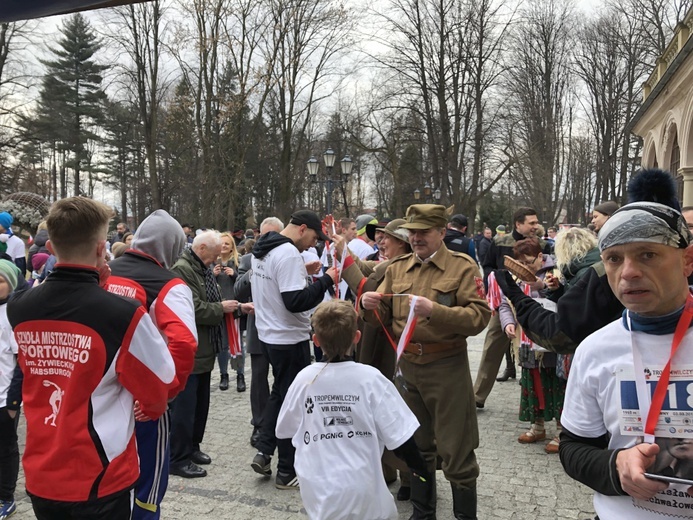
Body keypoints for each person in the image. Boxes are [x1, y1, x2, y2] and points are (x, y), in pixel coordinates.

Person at [7, 197, 176, 519]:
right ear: (102, 249)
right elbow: (159, 387)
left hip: (42, 472)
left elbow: (62, 309)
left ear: (52, 248)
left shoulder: (18, 306)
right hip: (101, 474)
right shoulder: (124, 314)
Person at [559, 196, 693, 517]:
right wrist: (617, 465)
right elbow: (573, 447)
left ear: (687, 260)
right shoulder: (594, 349)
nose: (629, 272)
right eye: (614, 259)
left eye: (648, 254)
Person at [361, 203, 491, 520]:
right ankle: (423, 511)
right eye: (413, 233)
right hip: (408, 370)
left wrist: (437, 311)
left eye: (423, 232)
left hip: (447, 367)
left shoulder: (462, 267)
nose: (416, 238)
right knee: (416, 445)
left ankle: (464, 515)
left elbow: (479, 317)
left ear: (441, 232)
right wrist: (368, 306)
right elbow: (381, 320)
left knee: (456, 448)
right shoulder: (397, 267)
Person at [276, 299, 428, 520]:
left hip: (320, 492)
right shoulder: (371, 379)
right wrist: (419, 468)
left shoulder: (304, 380)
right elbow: (402, 438)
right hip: (365, 490)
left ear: (315, 341)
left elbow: (284, 430)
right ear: (357, 337)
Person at [106, 209, 198, 519]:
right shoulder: (172, 285)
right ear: (173, 246)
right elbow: (184, 343)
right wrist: (166, 393)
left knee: (108, 480)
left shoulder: (104, 272)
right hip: (144, 402)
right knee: (148, 487)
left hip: (100, 397)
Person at [249, 210, 337, 490]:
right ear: (301, 229)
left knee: (280, 394)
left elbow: (277, 289)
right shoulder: (287, 254)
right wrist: (326, 280)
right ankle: (287, 472)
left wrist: (306, 276)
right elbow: (295, 301)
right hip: (289, 338)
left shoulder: (263, 248)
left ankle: (264, 450)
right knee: (293, 403)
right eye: (313, 237)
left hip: (270, 334)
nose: (314, 244)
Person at [337, 218, 413, 500]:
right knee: (377, 409)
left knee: (395, 409)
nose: (381, 241)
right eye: (379, 236)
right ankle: (388, 471)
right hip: (374, 339)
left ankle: (407, 475)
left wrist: (346, 264)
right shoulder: (387, 262)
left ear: (402, 242)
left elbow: (364, 284)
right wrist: (344, 251)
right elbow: (368, 267)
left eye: (386, 237)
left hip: (387, 346)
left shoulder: (402, 267)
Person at [170, 230, 250, 479]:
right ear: (201, 248)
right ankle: (178, 457)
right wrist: (221, 307)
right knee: (185, 407)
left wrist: (236, 306)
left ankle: (193, 447)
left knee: (200, 405)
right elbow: (191, 308)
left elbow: (212, 300)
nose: (215, 261)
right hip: (191, 349)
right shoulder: (183, 269)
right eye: (213, 256)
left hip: (206, 348)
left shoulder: (200, 267)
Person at [493, 238, 563, 453]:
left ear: (541, 257)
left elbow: (564, 298)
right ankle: (537, 426)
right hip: (525, 340)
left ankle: (562, 431)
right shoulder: (516, 276)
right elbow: (505, 302)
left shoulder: (557, 273)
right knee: (532, 381)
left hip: (551, 339)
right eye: (520, 263)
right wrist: (508, 323)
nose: (525, 267)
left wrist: (545, 287)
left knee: (556, 382)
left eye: (529, 261)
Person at [476, 207, 551, 406]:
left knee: (536, 354)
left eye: (537, 223)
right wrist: (496, 287)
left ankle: (538, 405)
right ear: (518, 224)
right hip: (504, 303)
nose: (536, 226)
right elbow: (488, 266)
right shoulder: (500, 242)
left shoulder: (543, 245)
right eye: (532, 223)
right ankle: (477, 396)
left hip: (534, 304)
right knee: (492, 346)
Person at [234, 217, 284, 448]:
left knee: (284, 378)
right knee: (259, 378)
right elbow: (238, 290)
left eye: (273, 235)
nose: (268, 240)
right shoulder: (248, 259)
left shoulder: (289, 257)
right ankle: (260, 425)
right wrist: (256, 267)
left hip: (283, 329)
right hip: (258, 328)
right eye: (263, 236)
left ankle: (282, 424)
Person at [0, 260, 22, 519]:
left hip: (4, 398)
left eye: (1, 280)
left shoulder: (13, 315)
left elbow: (22, 364)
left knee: (5, 449)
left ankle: (5, 496)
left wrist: (14, 404)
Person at [214, 232, 241, 392]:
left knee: (237, 345)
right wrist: (213, 275)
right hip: (218, 308)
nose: (224, 246)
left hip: (234, 308)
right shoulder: (212, 263)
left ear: (232, 247)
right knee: (221, 345)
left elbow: (243, 283)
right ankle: (224, 375)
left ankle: (240, 374)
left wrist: (234, 275)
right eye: (221, 243)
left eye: (227, 244)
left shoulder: (236, 262)